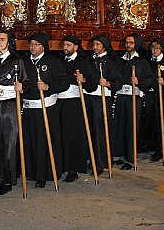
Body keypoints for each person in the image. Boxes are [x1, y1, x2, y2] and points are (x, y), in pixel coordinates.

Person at [22, 32, 68, 188]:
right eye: (31, 44)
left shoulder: (53, 62)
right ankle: (31, 172)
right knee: (30, 140)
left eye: (36, 44)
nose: (32, 47)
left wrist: (48, 87)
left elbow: (64, 83)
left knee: (44, 141)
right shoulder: (24, 63)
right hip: (28, 108)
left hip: (46, 108)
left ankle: (44, 174)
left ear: (43, 47)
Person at [0, 29, 29, 195]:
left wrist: (22, 87)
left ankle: (9, 179)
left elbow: (27, 82)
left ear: (9, 41)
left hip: (10, 105)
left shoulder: (17, 61)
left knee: (9, 142)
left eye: (2, 39)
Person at [76, 34, 121, 173]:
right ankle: (92, 159)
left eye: (97, 45)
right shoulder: (89, 60)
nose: (94, 47)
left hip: (101, 99)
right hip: (87, 97)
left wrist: (108, 83)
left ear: (104, 46)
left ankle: (102, 162)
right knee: (89, 129)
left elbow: (118, 81)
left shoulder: (111, 61)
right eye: (93, 44)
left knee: (100, 130)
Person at [59, 35, 94, 182]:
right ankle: (61, 165)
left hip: (74, 103)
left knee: (73, 136)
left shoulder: (83, 62)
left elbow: (92, 84)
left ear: (76, 47)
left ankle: (73, 169)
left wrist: (84, 80)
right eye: (64, 44)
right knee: (61, 135)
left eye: (68, 45)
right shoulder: (59, 61)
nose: (65, 47)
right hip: (59, 102)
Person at [113, 34, 151, 169]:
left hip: (134, 96)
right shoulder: (120, 60)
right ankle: (118, 153)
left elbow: (149, 79)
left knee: (131, 126)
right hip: (121, 95)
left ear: (136, 45)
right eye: (126, 42)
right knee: (119, 125)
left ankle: (130, 156)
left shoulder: (141, 61)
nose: (128, 45)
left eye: (131, 43)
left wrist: (139, 81)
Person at [144, 39, 164, 162]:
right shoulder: (149, 62)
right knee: (150, 120)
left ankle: (160, 147)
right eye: (153, 48)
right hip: (151, 95)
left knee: (160, 121)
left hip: (163, 96)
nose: (154, 51)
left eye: (157, 48)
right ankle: (151, 144)